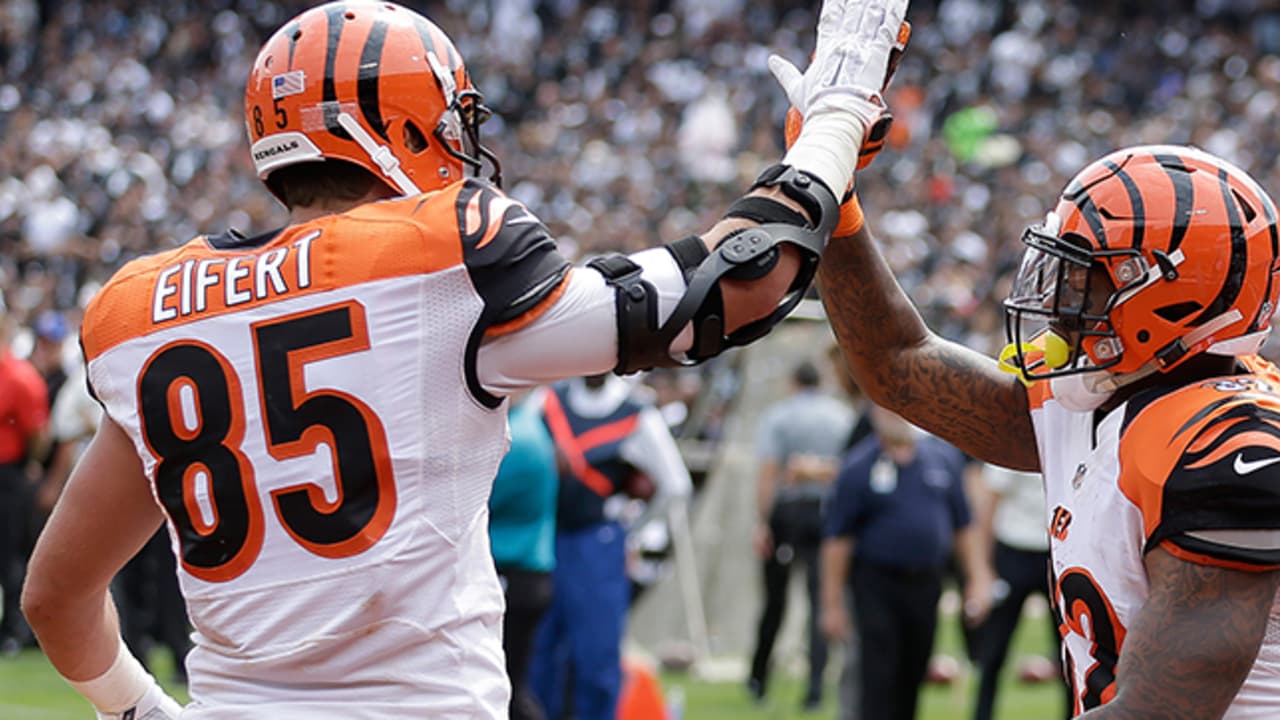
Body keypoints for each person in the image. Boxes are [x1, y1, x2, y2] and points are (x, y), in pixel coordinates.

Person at [20, 0, 910, 717]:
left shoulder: (147, 310)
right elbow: (735, 288)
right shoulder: (440, 258)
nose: (459, 143)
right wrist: (830, 128)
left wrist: (135, 709)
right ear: (396, 126)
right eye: (445, 120)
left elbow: (55, 597)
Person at [817, 139, 1280, 718]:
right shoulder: (1101, 391)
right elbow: (898, 364)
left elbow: (1159, 711)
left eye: (1087, 273)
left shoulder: (1230, 441)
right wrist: (832, 194)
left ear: (1172, 297)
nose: (1060, 295)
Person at [528, 373, 691, 720]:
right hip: (546, 539)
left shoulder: (636, 413)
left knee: (596, 658)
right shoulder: (548, 402)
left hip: (596, 543)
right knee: (539, 654)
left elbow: (675, 484)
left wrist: (632, 531)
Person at [820, 405, 991, 720]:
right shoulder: (858, 466)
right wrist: (831, 604)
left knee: (914, 669)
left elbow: (963, 526)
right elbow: (837, 540)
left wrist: (978, 578)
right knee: (878, 672)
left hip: (926, 582)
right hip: (877, 582)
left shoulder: (941, 458)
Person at [746, 358, 853, 710]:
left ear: (794, 382)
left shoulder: (780, 416)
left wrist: (762, 521)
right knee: (819, 601)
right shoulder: (840, 416)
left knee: (774, 602)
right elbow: (849, 471)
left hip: (788, 514)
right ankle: (815, 689)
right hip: (825, 515)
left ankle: (758, 679)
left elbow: (768, 472)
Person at [969, 463, 1068, 720]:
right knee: (993, 651)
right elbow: (989, 503)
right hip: (1014, 551)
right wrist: (983, 568)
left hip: (1055, 552)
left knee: (1069, 653)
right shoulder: (1014, 442)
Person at [488, 393, 559, 720]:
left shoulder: (520, 439)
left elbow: (475, 502)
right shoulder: (522, 429)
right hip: (523, 574)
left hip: (516, 576)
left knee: (507, 690)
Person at [0, 297, 50, 655]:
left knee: (11, 553)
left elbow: (37, 433)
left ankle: (13, 631)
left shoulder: (18, 376)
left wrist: (30, 465)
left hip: (8, 474)